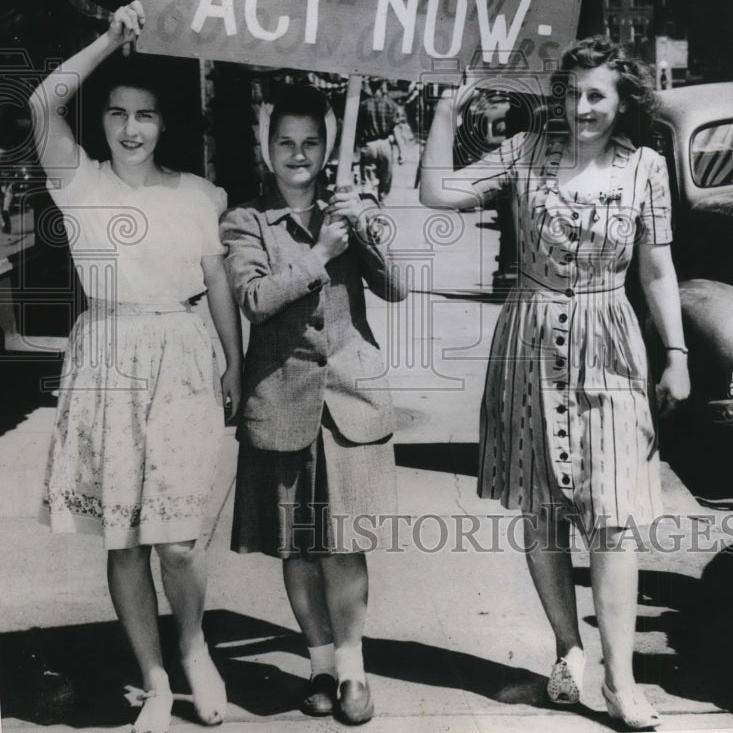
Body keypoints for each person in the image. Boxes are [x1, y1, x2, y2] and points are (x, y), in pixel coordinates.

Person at [419, 38, 690, 731]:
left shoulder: (646, 169)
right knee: (540, 507)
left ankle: (621, 681)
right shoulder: (524, 153)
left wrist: (676, 353)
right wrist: (448, 114)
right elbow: (435, 192)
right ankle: (568, 652)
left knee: (613, 517)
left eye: (595, 94)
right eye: (570, 93)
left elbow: (656, 270)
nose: (581, 107)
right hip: (530, 339)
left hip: (610, 337)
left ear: (622, 99)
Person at [29, 2, 243, 733]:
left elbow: (217, 287)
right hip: (109, 363)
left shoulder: (197, 195)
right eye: (117, 114)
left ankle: (193, 649)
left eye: (144, 115)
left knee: (178, 538)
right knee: (124, 535)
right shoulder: (80, 184)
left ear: (165, 122)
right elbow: (39, 102)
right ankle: (153, 679)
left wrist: (233, 369)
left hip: (182, 359)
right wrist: (111, 39)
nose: (130, 128)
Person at [220, 85, 406, 725]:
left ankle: (353, 671)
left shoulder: (350, 208)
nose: (297, 155)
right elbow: (253, 299)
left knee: (344, 544)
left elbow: (397, 286)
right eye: (285, 143)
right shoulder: (245, 220)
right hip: (281, 402)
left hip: (349, 400)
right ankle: (320, 664)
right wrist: (322, 251)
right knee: (297, 546)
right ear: (267, 148)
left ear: (328, 147)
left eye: (310, 143)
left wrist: (363, 227)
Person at [356, 80, 400, 203]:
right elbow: (395, 129)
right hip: (385, 144)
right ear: (382, 87)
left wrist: (357, 148)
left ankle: (369, 206)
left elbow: (358, 130)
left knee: (368, 180)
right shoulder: (391, 104)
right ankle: (382, 203)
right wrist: (401, 152)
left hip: (369, 144)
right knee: (386, 177)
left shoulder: (363, 105)